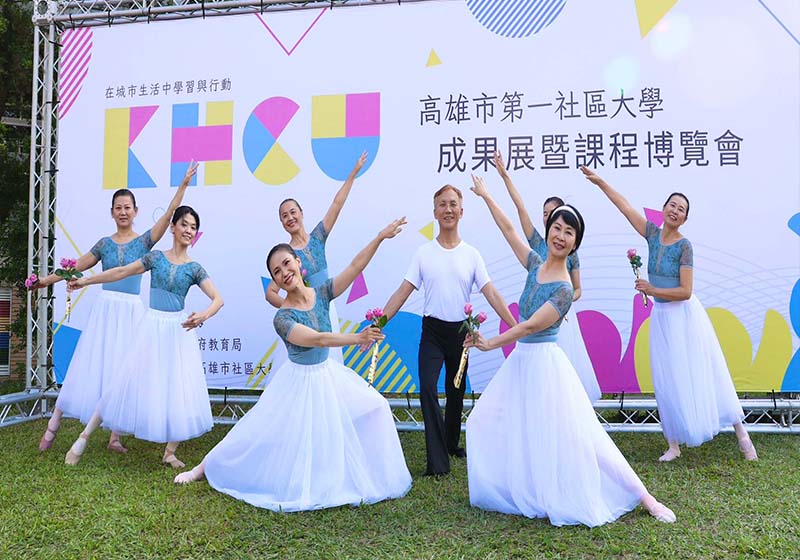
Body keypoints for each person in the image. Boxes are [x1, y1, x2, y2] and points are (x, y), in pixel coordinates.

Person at [465, 175, 675, 526]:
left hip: (545, 366)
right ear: (548, 230)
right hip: (521, 363)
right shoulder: (534, 264)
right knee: (486, 422)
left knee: (582, 437)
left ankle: (646, 497)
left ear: (575, 243)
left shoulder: (564, 289)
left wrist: (490, 343)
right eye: (557, 228)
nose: (560, 236)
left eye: (568, 232)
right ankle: (526, 487)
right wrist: (486, 195)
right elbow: (509, 229)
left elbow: (530, 327)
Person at [174, 219, 412, 513]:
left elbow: (355, 266)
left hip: (327, 374)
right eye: (277, 271)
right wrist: (358, 337)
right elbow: (318, 339)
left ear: (299, 263)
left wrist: (380, 236)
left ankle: (367, 470)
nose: (284, 272)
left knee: (376, 406)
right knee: (254, 433)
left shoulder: (322, 292)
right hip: (298, 382)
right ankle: (202, 467)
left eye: (287, 263)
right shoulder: (282, 318)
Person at [580, 165, 757, 462]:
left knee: (706, 371)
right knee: (667, 378)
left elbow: (685, 291)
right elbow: (625, 207)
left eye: (681, 209)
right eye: (672, 205)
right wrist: (600, 182)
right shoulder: (652, 234)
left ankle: (742, 436)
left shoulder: (684, 246)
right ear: (663, 209)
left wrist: (651, 289)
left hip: (685, 317)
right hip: (662, 318)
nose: (675, 211)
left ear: (685, 218)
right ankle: (673, 444)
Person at [33, 162, 198, 452]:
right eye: (118, 208)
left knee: (124, 370)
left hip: (133, 312)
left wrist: (183, 184)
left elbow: (171, 214)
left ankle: (115, 437)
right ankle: (52, 427)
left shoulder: (146, 241)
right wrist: (45, 281)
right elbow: (77, 266)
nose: (123, 212)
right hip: (105, 311)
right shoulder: (104, 244)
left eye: (127, 207)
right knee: (88, 365)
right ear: (112, 212)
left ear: (136, 211)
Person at [63, 205, 223, 468]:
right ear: (173, 227)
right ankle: (83, 437)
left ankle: (170, 452)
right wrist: (85, 281)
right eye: (184, 224)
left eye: (193, 227)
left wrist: (203, 315)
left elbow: (218, 299)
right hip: (151, 325)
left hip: (178, 330)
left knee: (178, 388)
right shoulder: (156, 258)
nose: (188, 230)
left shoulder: (195, 268)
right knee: (122, 379)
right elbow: (120, 271)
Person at [381, 185, 517, 476]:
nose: (448, 209)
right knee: (428, 388)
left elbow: (492, 293)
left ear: (461, 211)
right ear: (435, 212)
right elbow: (402, 292)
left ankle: (451, 443)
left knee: (456, 391)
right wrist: (378, 324)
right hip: (432, 332)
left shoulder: (472, 255)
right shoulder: (423, 253)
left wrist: (516, 328)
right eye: (442, 204)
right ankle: (437, 462)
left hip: (461, 334)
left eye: (453, 204)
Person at [492, 151, 600, 401]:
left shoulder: (570, 261)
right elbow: (517, 215)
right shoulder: (536, 249)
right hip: (530, 329)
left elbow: (576, 289)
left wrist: (563, 303)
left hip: (557, 316)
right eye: (549, 217)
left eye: (567, 230)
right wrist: (504, 177)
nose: (560, 234)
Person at [265, 152, 368, 363]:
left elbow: (337, 204)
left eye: (292, 212)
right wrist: (294, 307)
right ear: (281, 223)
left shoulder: (318, 237)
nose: (290, 217)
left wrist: (353, 173)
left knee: (329, 362)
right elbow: (270, 293)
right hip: (303, 318)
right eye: (284, 216)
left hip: (325, 307)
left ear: (301, 213)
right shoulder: (287, 256)